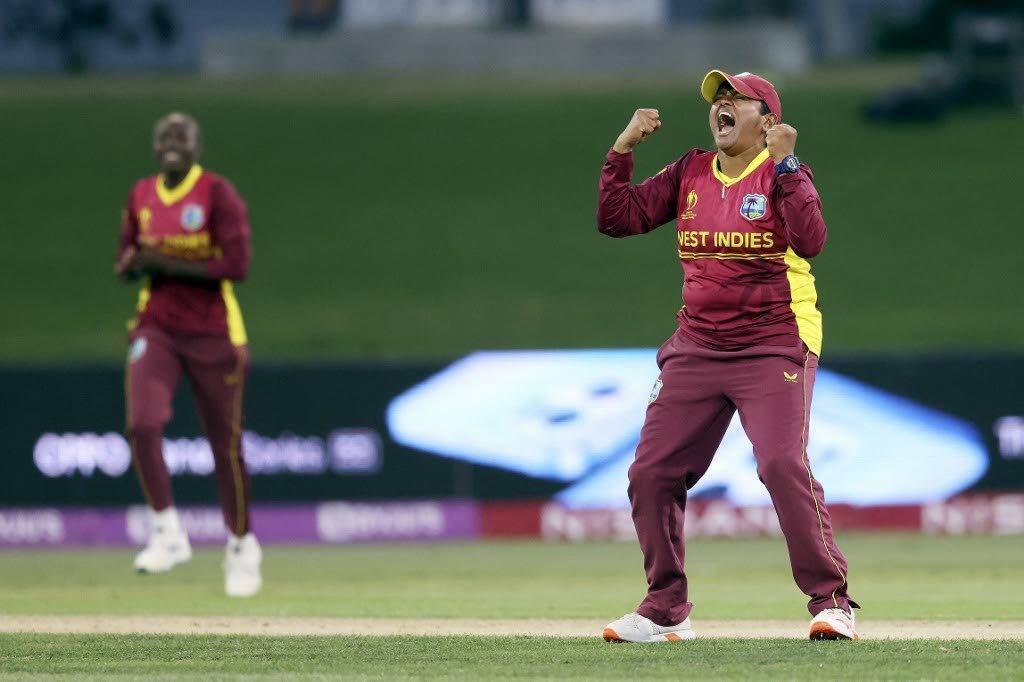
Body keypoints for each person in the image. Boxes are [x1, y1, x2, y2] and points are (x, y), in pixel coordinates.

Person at [596, 71, 859, 641]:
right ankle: (665, 610)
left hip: (774, 341)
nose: (722, 106)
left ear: (766, 120)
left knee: (781, 464)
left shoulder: (782, 172)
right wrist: (621, 151)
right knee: (650, 472)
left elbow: (811, 240)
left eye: (735, 99)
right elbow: (618, 220)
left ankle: (832, 602)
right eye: (717, 100)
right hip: (697, 346)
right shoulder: (691, 171)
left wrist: (788, 165)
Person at [115, 112, 261, 597]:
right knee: (143, 424)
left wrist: (166, 262)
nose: (172, 143)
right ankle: (167, 531)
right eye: (164, 137)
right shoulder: (141, 194)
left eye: (182, 136)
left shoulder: (218, 194)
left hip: (214, 333)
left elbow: (237, 265)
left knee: (226, 447)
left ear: (197, 145)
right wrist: (134, 266)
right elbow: (126, 260)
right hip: (156, 325)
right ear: (154, 147)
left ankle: (241, 546)